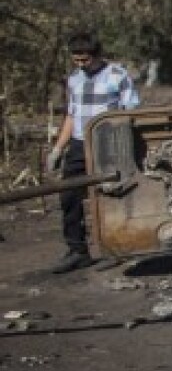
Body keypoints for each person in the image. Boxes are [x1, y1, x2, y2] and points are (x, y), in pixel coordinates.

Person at [45, 32, 139, 274]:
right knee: (69, 197)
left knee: (111, 195)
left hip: (108, 143)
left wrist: (124, 150)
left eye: (84, 60)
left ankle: (113, 249)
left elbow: (130, 113)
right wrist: (58, 148)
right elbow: (71, 116)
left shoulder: (118, 76)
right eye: (76, 60)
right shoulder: (74, 79)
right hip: (78, 144)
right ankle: (77, 251)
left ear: (97, 56)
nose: (80, 65)